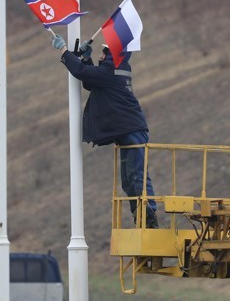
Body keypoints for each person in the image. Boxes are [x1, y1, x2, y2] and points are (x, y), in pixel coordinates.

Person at [51, 34, 158, 228]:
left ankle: (149, 220)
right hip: (129, 130)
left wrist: (64, 51)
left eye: (105, 52)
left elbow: (82, 73)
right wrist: (86, 57)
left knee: (137, 176)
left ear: (112, 55)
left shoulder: (111, 71)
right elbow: (92, 82)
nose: (101, 56)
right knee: (129, 180)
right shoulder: (116, 69)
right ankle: (142, 219)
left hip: (131, 130)